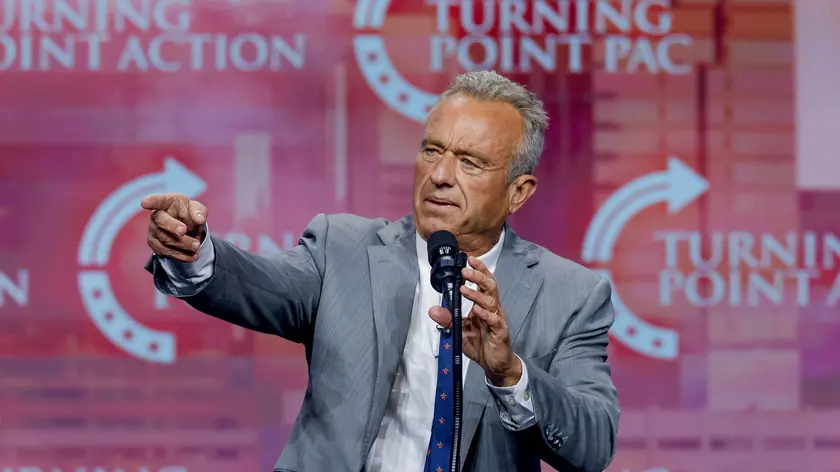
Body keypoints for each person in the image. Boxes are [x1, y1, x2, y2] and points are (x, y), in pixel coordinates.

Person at [141, 71, 619, 472]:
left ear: (519, 191)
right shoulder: (342, 248)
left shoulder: (572, 293)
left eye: (470, 162)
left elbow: (593, 446)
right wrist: (193, 251)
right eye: (432, 151)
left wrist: (509, 373)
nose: (441, 175)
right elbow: (258, 286)